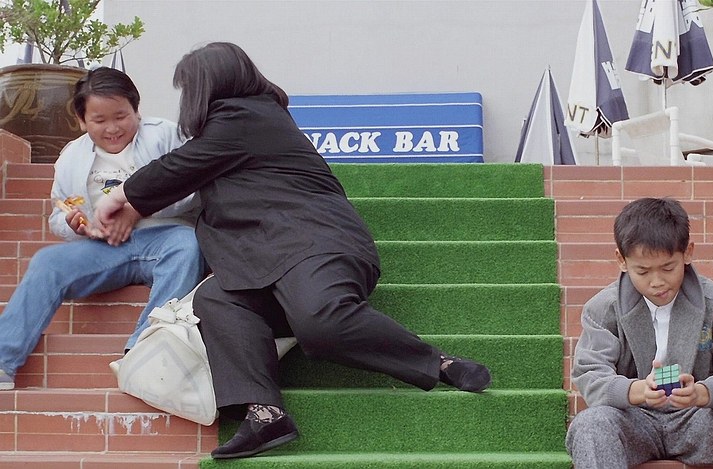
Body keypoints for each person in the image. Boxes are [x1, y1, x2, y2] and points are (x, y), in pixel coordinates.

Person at [94, 42, 492, 460]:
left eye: (188, 88)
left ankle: (439, 363)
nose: (186, 98)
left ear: (208, 86)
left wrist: (119, 196)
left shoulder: (248, 114)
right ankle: (265, 414)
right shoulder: (237, 130)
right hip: (268, 261)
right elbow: (190, 175)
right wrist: (135, 209)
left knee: (321, 321)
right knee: (216, 298)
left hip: (316, 244)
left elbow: (179, 166)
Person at [0, 67, 205, 391]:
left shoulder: (166, 135)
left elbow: (195, 190)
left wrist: (137, 209)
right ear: (82, 120)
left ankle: (143, 353)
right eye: (99, 120)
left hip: (164, 238)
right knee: (47, 262)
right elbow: (58, 213)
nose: (112, 128)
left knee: (188, 245)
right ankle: (3, 360)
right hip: (105, 247)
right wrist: (76, 226)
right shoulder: (71, 156)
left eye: (121, 116)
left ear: (136, 110)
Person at [565, 197, 713, 468]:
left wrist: (702, 393)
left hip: (698, 417)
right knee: (590, 424)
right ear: (621, 260)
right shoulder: (603, 308)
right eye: (643, 271)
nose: (657, 282)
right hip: (634, 419)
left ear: (687, 253)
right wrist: (636, 390)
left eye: (668, 268)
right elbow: (590, 372)